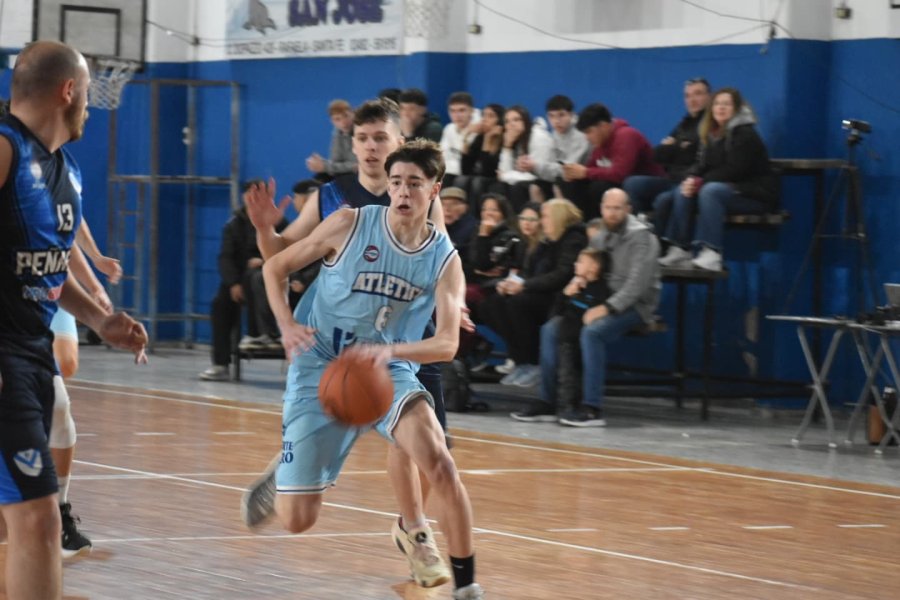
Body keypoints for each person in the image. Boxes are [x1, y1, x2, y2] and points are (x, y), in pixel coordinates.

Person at [241, 98, 457, 588]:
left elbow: (442, 260)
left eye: (381, 138)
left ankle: (414, 532)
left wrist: (456, 305)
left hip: (401, 340)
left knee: (430, 449)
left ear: (399, 143)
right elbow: (282, 255)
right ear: (352, 144)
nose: (371, 147)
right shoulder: (333, 197)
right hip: (335, 346)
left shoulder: (423, 193)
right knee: (301, 515)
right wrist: (263, 228)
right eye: (363, 139)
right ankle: (302, 458)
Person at [0, 39, 147, 600]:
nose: (91, 105)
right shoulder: (6, 148)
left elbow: (51, 263)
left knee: (11, 524)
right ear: (68, 91)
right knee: (40, 521)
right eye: (87, 94)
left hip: (33, 356)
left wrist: (99, 319)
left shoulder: (67, 172)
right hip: (5, 359)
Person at [523, 188, 659, 426]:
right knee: (551, 329)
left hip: (635, 305)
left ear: (628, 210)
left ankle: (591, 407)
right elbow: (591, 267)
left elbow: (637, 285)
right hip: (598, 298)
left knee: (592, 332)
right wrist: (580, 282)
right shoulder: (600, 235)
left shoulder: (643, 238)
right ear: (601, 208)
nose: (612, 213)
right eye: (608, 208)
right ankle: (548, 401)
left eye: (618, 208)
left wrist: (606, 308)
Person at [49, 221, 120, 559]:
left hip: (43, 294)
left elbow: (64, 242)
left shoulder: (61, 176)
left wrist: (95, 282)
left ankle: (59, 511)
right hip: (17, 300)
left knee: (60, 393)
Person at [655, 87, 777, 271]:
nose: (721, 108)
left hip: (754, 194)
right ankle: (681, 248)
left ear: (736, 108)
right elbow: (703, 165)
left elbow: (735, 170)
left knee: (710, 191)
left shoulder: (745, 134)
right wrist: (691, 179)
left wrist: (701, 182)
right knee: (683, 190)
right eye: (718, 104)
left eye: (726, 104)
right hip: (729, 189)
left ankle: (712, 252)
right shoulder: (711, 133)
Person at [481, 199, 587, 388]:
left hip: (560, 298)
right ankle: (519, 359)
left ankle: (532, 362)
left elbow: (562, 275)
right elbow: (527, 271)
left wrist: (525, 285)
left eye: (544, 216)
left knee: (518, 303)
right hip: (539, 291)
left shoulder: (573, 239)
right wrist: (510, 283)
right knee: (493, 303)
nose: (541, 221)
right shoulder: (548, 239)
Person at [200, 181, 286, 381]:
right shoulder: (234, 224)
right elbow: (225, 257)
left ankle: (262, 335)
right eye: (250, 193)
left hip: (272, 280)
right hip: (238, 280)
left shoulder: (279, 221)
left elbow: (290, 251)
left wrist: (265, 261)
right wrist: (233, 283)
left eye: (260, 193)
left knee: (255, 277)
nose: (255, 197)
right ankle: (220, 364)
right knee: (220, 305)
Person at [512, 247, 610, 422]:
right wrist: (566, 294)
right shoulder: (575, 287)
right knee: (552, 338)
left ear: (593, 267)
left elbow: (589, 313)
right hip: (564, 336)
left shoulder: (600, 289)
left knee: (570, 374)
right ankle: (549, 402)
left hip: (574, 339)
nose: (575, 264)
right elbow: (558, 311)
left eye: (580, 261)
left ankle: (577, 406)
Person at [560, 103, 664, 220]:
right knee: (572, 183)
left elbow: (620, 174)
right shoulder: (600, 144)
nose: (587, 138)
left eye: (589, 132)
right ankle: (583, 225)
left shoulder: (626, 135)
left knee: (600, 187)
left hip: (646, 184)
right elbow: (592, 169)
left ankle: (599, 224)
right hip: (621, 182)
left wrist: (586, 172)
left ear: (603, 126)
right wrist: (574, 173)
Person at [623, 78, 710, 213]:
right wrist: (679, 148)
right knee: (632, 183)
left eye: (697, 94)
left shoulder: (710, 124)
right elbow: (657, 155)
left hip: (690, 181)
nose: (692, 100)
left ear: (709, 96)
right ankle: (639, 228)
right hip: (671, 179)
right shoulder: (684, 124)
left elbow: (695, 158)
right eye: (687, 95)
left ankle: (668, 234)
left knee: (664, 200)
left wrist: (674, 148)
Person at [495, 105, 554, 212]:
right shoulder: (514, 139)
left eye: (516, 120)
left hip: (546, 182)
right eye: (507, 121)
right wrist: (507, 146)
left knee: (517, 188)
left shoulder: (539, 137)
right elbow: (504, 172)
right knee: (498, 187)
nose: (511, 124)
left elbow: (537, 174)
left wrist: (505, 176)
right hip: (526, 180)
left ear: (526, 121)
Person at [458, 103, 504, 205]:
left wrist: (488, 140)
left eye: (490, 116)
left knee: (477, 182)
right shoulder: (480, 137)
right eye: (484, 115)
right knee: (461, 179)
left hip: (494, 179)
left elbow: (487, 172)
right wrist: (467, 136)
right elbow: (465, 170)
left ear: (500, 120)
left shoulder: (503, 139)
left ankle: (476, 215)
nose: (484, 119)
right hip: (478, 177)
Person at [305, 99, 357, 181]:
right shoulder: (337, 132)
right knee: (320, 179)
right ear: (332, 121)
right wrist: (323, 164)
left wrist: (325, 166)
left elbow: (357, 166)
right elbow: (335, 162)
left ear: (353, 113)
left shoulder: (363, 129)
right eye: (337, 119)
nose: (343, 122)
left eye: (346, 116)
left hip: (364, 175)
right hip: (348, 173)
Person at [439, 91, 479, 185]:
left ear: (472, 110)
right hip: (452, 173)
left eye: (462, 110)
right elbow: (442, 158)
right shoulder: (449, 128)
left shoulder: (479, 128)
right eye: (452, 111)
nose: (457, 115)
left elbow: (470, 165)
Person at [440, 186, 478, 268]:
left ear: (465, 207)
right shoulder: (431, 225)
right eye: (443, 204)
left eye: (454, 204)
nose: (447, 209)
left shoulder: (473, 228)